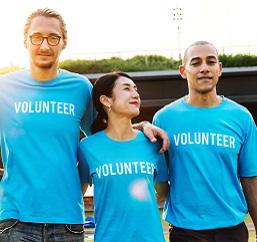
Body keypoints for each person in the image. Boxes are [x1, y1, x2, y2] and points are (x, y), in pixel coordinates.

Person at [0, 8, 169, 242]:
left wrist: (140, 127)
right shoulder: (4, 88)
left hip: (67, 221)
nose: (45, 45)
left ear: (64, 42)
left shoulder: (79, 88)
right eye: (37, 37)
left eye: (53, 38)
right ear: (25, 41)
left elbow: (108, 130)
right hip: (15, 220)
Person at [153, 40, 257, 242]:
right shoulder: (164, 119)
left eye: (210, 62)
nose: (204, 69)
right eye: (196, 63)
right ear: (183, 71)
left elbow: (251, 178)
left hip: (232, 230)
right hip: (186, 231)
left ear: (219, 69)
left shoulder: (241, 117)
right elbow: (161, 184)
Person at [78, 71, 169, 242]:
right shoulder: (87, 147)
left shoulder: (153, 142)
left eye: (135, 89)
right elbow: (76, 196)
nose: (135, 94)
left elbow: (165, 192)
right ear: (106, 100)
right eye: (126, 89)